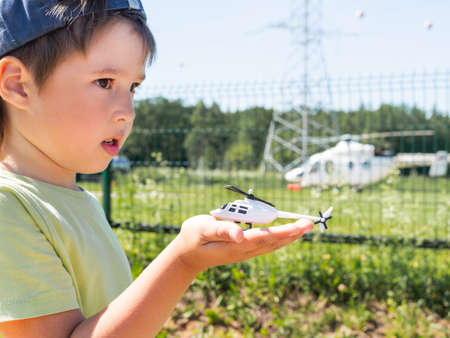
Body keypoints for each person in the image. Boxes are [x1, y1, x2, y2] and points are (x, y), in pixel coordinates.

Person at [0, 1, 313, 337]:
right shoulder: (8, 209)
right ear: (18, 84)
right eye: (105, 82)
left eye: (133, 88)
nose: (128, 112)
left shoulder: (77, 201)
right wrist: (182, 261)